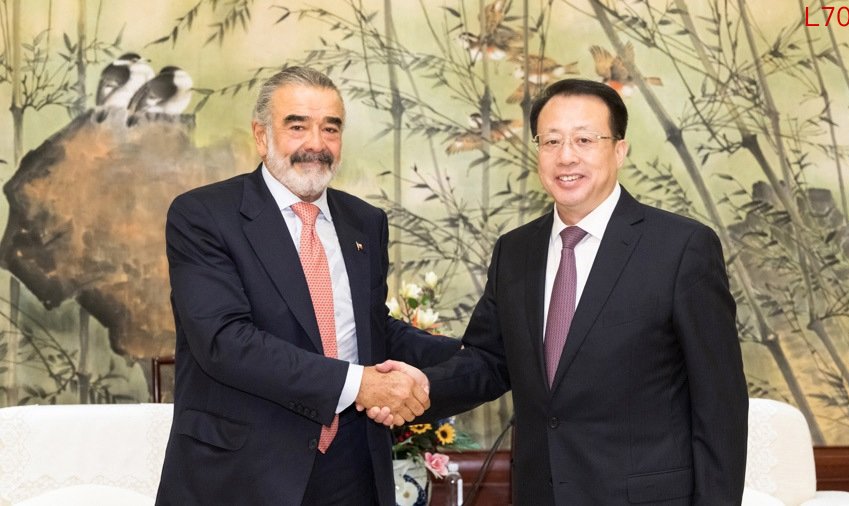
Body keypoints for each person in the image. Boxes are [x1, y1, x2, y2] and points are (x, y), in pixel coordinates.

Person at [376, 78, 748, 504]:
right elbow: (489, 361)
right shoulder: (516, 251)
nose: (566, 156)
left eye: (584, 139)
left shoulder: (681, 248)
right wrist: (421, 384)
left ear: (619, 150)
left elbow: (720, 406)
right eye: (551, 141)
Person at [155, 66, 460, 505]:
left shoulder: (365, 222)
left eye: (330, 128)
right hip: (244, 473)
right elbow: (225, 342)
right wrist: (358, 385)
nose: (316, 144)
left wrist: (473, 354)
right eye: (297, 126)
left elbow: (371, 329)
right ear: (261, 136)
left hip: (353, 469)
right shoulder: (204, 216)